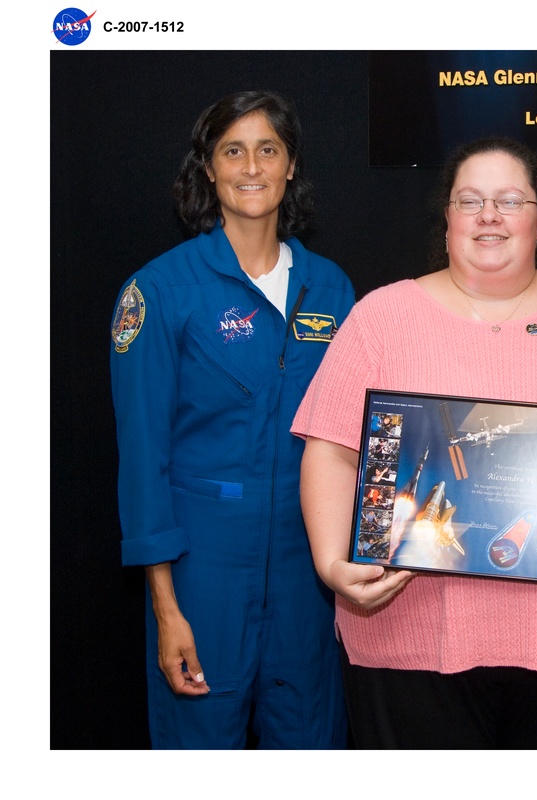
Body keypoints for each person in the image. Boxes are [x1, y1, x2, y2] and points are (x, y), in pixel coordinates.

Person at [292, 135, 537, 748]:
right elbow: (329, 447)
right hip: (405, 627)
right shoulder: (382, 317)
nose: (490, 215)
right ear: (449, 217)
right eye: (471, 200)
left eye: (510, 200)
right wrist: (332, 563)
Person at [110, 90, 354, 749]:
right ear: (209, 169)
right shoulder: (159, 291)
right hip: (203, 565)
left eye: (268, 150)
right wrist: (166, 608)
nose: (252, 167)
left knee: (309, 742)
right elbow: (143, 456)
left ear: (291, 165)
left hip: (308, 563)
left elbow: (352, 435)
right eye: (233, 151)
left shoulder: (331, 288)